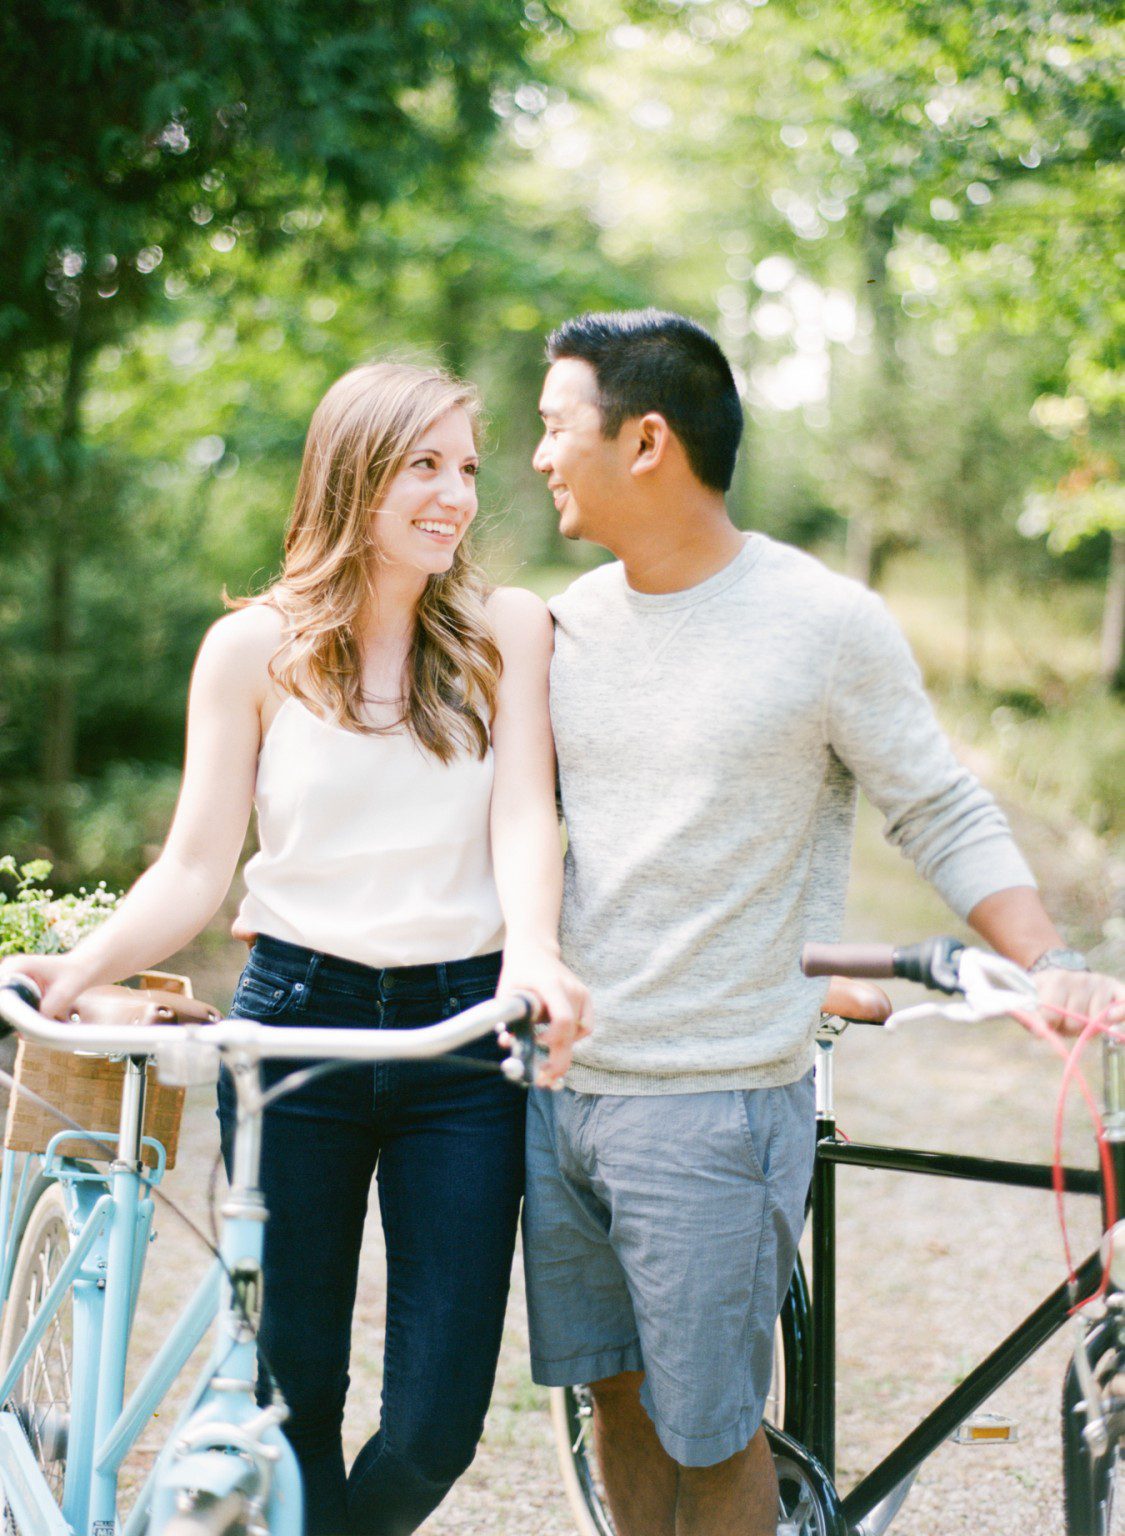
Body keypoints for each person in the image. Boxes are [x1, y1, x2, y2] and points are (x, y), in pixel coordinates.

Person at [521, 308, 1125, 1536]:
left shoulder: (821, 621)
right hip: (563, 1089)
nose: (538, 456)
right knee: (613, 1404)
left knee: (714, 1434)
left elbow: (942, 810)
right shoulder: (565, 622)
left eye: (553, 426)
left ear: (646, 441)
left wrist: (1050, 962)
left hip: (714, 1102)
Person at [0, 360, 590, 1536]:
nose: (456, 495)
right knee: (290, 1391)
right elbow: (193, 866)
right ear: (352, 470)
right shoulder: (250, 649)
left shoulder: (505, 629)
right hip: (294, 1020)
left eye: (466, 468)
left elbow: (529, 813)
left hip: (462, 1036)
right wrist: (76, 973)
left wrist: (534, 952)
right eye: (424, 464)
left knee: (436, 1422)